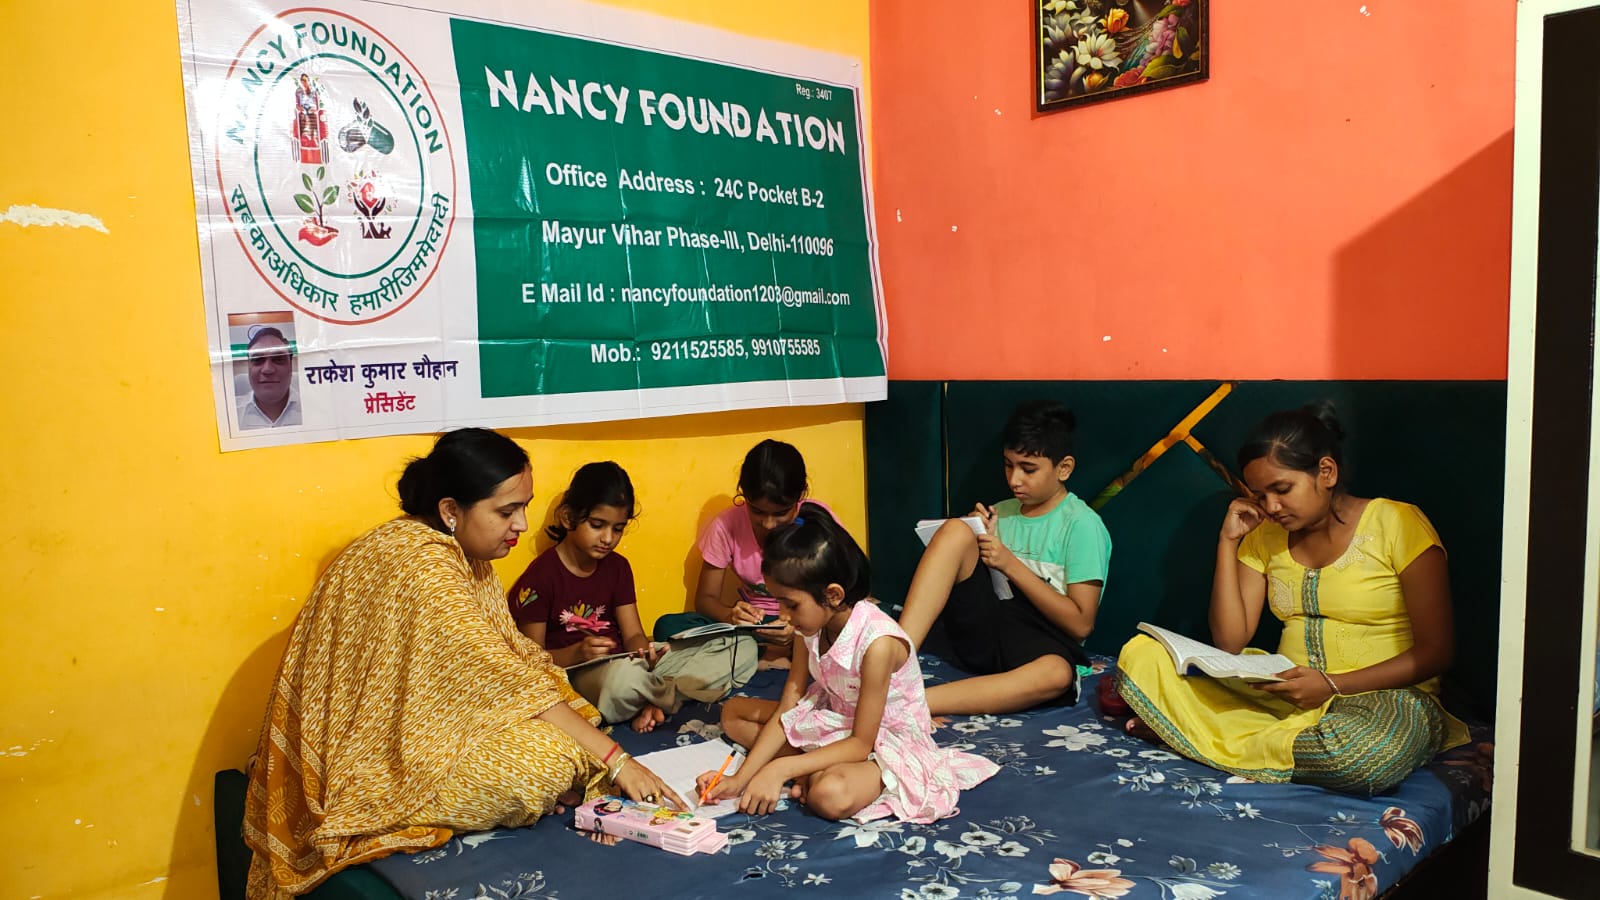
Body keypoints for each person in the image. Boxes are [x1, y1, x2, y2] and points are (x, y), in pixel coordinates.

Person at [244, 429, 684, 900]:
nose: (521, 524)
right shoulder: (422, 565)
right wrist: (617, 762)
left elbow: (512, 663)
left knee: (573, 720)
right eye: (506, 511)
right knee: (544, 763)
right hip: (370, 756)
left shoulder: (463, 556)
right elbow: (502, 679)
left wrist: (593, 744)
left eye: (524, 506)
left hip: (421, 724)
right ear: (451, 511)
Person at [1116, 403, 1471, 795]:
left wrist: (1332, 685)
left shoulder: (1397, 523)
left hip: (1385, 701)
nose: (1270, 507)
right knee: (1142, 655)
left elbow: (1436, 652)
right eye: (1259, 494)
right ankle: (1248, 739)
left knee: (1359, 757)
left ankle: (1192, 734)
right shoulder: (1264, 537)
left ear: (1326, 472)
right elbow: (1231, 641)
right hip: (1283, 695)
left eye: (1282, 489)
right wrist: (1228, 541)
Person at [697, 507, 998, 822]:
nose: (783, 616)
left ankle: (818, 770)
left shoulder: (878, 644)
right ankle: (816, 768)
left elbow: (860, 742)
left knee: (829, 795)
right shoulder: (808, 625)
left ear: (833, 595)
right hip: (835, 717)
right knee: (733, 713)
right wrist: (739, 780)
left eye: (790, 605)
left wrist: (779, 767)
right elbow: (790, 704)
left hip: (881, 739)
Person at [507, 461, 756, 733]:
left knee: (741, 647)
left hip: (632, 665)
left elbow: (634, 635)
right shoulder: (541, 577)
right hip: (583, 674)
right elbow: (532, 661)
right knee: (620, 682)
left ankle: (654, 699)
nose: (607, 538)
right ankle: (668, 696)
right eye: (597, 525)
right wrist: (576, 653)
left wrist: (646, 652)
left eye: (617, 528)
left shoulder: (618, 567)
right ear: (568, 518)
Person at [897, 400, 1112, 714]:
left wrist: (1009, 563)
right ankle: (894, 659)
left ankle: (910, 705)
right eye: (1009, 464)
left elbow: (1080, 625)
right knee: (956, 530)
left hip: (1040, 643)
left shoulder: (1081, 526)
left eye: (1028, 469)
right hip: (984, 630)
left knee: (1057, 674)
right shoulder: (1002, 511)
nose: (1014, 480)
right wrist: (972, 536)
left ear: (1063, 468)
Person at [689, 439, 827, 660]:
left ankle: (770, 653)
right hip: (757, 627)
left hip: (811, 621)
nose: (768, 524)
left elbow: (843, 594)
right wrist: (731, 615)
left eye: (781, 513)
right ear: (743, 495)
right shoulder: (726, 524)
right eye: (757, 511)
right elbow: (705, 599)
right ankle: (770, 652)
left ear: (800, 496)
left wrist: (800, 624)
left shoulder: (818, 520)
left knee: (868, 623)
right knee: (670, 626)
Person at [237, 326, 302, 429]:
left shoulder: (314, 410)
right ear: (249, 367)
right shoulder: (229, 413)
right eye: (258, 360)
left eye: (278, 359)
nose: (267, 369)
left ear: (290, 367)